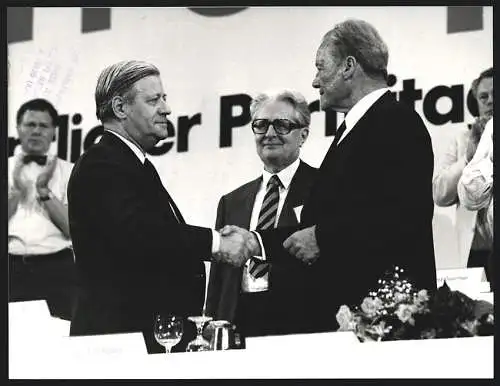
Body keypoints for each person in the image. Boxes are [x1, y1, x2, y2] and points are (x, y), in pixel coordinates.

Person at [222, 19, 437, 333]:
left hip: (386, 322)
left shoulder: (396, 122)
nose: (314, 81)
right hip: (355, 320)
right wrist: (256, 241)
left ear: (348, 66)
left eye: (320, 67)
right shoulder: (357, 128)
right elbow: (329, 222)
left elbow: (402, 215)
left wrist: (323, 237)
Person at [67, 61, 255, 354]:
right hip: (121, 343)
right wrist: (218, 243)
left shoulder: (130, 163)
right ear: (120, 108)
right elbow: (142, 234)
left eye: (164, 98)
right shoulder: (102, 163)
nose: (166, 109)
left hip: (141, 337)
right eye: (154, 100)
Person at [205, 90, 318, 337]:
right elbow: (218, 280)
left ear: (303, 135)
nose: (269, 134)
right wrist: (210, 324)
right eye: (261, 125)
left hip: (300, 325)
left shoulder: (324, 188)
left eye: (281, 125)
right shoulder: (231, 202)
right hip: (236, 324)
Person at [8, 98, 76, 321]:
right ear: (18, 128)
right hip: (11, 268)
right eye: (30, 124)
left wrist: (43, 190)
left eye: (43, 125)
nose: (36, 131)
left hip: (58, 269)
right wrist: (16, 193)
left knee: (62, 341)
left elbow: (72, 229)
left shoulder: (71, 171)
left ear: (54, 132)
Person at [433, 67, 493, 277]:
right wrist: (468, 157)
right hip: (475, 254)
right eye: (483, 96)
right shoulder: (461, 140)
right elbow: (439, 194)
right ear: (475, 103)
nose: (490, 101)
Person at [457, 117, 493, 284]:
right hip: (478, 247)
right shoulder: (491, 128)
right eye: (483, 96)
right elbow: (470, 195)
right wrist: (471, 159)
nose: (490, 101)